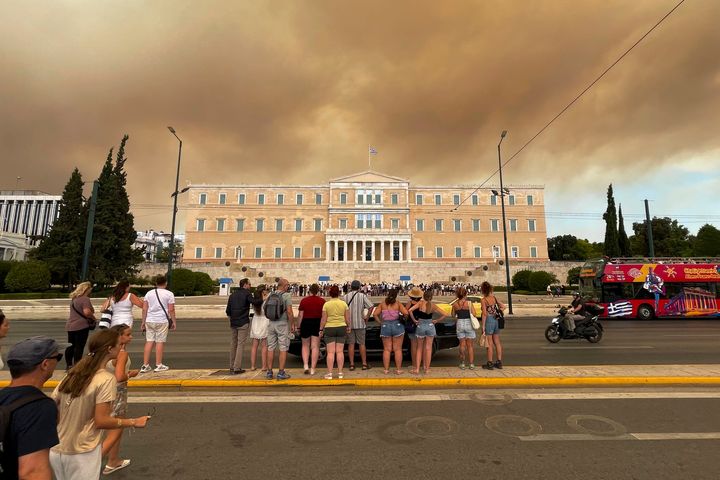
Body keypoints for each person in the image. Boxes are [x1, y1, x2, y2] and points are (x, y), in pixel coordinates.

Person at [50, 330, 150, 480]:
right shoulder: (105, 379)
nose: (121, 348)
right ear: (110, 349)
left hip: (57, 448)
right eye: (118, 345)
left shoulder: (72, 374)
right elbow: (101, 420)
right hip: (83, 451)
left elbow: (52, 405)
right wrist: (133, 422)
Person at [0, 336, 67, 480]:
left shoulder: (3, 396)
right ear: (45, 364)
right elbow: (33, 472)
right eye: (58, 357)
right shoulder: (40, 407)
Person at [100, 325, 139, 475]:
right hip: (118, 391)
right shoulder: (122, 353)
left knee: (110, 427)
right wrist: (131, 374)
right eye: (128, 335)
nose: (131, 337)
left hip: (105, 391)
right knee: (116, 428)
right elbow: (119, 377)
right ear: (119, 337)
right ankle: (103, 461)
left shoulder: (106, 351)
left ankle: (113, 460)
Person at [225, 278, 263, 375]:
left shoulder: (232, 295)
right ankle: (237, 367)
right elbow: (255, 302)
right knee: (240, 345)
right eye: (249, 284)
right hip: (242, 322)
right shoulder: (247, 293)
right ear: (245, 285)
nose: (250, 286)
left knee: (233, 344)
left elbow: (228, 311)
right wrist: (263, 298)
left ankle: (231, 366)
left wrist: (233, 318)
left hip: (233, 323)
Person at [140, 275, 176, 373]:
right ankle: (158, 364)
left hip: (149, 320)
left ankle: (145, 365)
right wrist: (174, 321)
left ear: (156, 283)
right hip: (162, 320)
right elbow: (171, 309)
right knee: (159, 342)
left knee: (149, 341)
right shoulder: (169, 294)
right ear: (166, 283)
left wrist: (143, 322)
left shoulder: (149, 293)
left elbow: (144, 308)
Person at [407, 290, 447, 374]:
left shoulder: (420, 303)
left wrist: (414, 320)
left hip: (421, 325)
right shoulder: (433, 305)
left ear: (423, 296)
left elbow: (410, 310)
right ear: (431, 297)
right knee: (428, 348)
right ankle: (427, 369)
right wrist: (436, 320)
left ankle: (417, 369)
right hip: (430, 326)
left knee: (419, 348)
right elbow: (445, 314)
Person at [373, 289, 408, 375]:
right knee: (397, 349)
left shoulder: (382, 303)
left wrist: (380, 322)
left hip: (385, 326)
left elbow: (375, 314)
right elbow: (406, 313)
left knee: (387, 349)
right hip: (397, 326)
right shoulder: (398, 303)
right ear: (396, 295)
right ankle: (398, 369)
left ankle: (386, 370)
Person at [265, 278, 295, 380]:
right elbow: (290, 312)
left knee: (271, 347)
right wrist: (292, 324)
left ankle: (269, 372)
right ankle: (281, 372)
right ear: (284, 285)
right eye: (287, 285)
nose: (288, 287)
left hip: (271, 323)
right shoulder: (286, 295)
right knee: (283, 347)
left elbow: (265, 307)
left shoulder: (270, 295)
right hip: (282, 324)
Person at [320, 285, 350, 379]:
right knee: (340, 351)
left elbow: (324, 319)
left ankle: (329, 373)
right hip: (341, 327)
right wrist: (349, 326)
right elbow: (347, 318)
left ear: (330, 293)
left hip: (330, 328)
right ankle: (340, 373)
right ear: (339, 293)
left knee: (330, 352)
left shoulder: (326, 304)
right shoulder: (344, 304)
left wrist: (321, 329)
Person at [343, 280, 374, 371]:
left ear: (351, 287)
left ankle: (352, 364)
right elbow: (371, 306)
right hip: (360, 323)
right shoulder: (362, 296)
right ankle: (364, 364)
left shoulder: (345, 297)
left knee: (351, 344)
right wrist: (367, 317)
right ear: (359, 287)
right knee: (362, 344)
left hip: (349, 324)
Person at [66, 282, 96, 371]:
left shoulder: (74, 299)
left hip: (70, 325)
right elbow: (87, 312)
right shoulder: (85, 299)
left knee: (70, 345)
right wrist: (93, 318)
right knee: (79, 346)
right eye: (90, 288)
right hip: (81, 326)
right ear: (87, 289)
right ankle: (77, 366)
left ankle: (68, 365)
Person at [298, 283, 325, 375]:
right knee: (315, 346)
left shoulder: (304, 301)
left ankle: (306, 365)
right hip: (317, 323)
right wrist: (322, 328)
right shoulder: (322, 301)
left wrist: (299, 326)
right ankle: (313, 368)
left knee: (305, 345)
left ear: (309, 290)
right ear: (318, 291)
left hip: (306, 322)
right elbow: (323, 316)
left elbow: (300, 315)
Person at [480, 281, 505, 370]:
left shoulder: (483, 300)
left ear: (483, 290)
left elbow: (484, 314)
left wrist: (483, 326)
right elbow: (503, 306)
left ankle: (490, 363)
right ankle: (499, 362)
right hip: (496, 320)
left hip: (489, 321)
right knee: (497, 342)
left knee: (489, 343)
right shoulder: (494, 298)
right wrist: (498, 312)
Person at [452, 287, 476, 370]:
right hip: (468, 322)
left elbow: (453, 315)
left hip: (460, 323)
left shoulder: (455, 304)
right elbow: (474, 314)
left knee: (462, 345)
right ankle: (471, 364)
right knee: (470, 346)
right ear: (465, 294)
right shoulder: (469, 303)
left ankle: (462, 363)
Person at [249, 285, 269, 372]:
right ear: (263, 291)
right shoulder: (265, 301)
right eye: (266, 290)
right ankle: (264, 366)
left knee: (254, 346)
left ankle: (253, 366)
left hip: (255, 321)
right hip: (264, 321)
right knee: (264, 346)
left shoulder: (254, 301)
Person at [404, 286, 423, 372]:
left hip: (412, 325)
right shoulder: (422, 303)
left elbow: (405, 313)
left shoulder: (409, 303)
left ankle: (414, 365)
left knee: (414, 346)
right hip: (421, 324)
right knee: (421, 346)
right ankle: (421, 364)